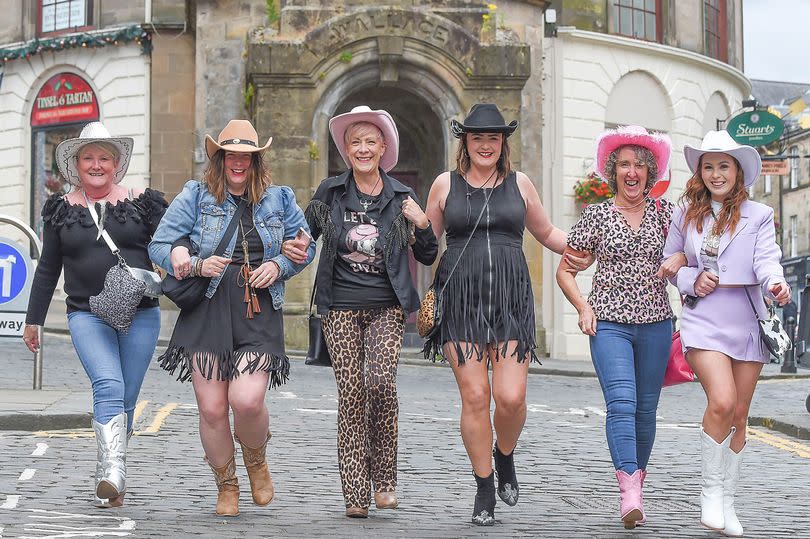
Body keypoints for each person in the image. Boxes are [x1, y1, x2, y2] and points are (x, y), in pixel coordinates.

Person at [423, 104, 587, 526]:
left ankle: (504, 454)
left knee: (510, 398)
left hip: (511, 301)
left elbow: (548, 233)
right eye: (477, 137)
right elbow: (426, 244)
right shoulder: (445, 185)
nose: (485, 144)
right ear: (466, 142)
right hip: (460, 302)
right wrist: (409, 224)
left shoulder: (521, 184)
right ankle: (483, 486)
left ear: (502, 143)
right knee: (475, 397)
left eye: (492, 138)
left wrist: (593, 243)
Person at [148, 119, 315, 517]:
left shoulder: (280, 199)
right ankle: (227, 484)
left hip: (256, 307)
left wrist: (278, 265)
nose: (238, 163)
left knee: (247, 398)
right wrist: (190, 262)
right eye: (231, 156)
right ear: (220, 159)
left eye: (246, 156)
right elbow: (158, 245)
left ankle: (256, 460)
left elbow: (304, 246)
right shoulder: (195, 195)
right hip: (207, 306)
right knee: (210, 408)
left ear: (256, 160)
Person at [283, 105, 438, 518]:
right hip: (339, 307)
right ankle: (355, 491)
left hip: (387, 307)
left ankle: (384, 480)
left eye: (371, 141)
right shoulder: (329, 193)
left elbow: (427, 254)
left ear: (384, 148)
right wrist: (293, 246)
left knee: (382, 384)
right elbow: (304, 236)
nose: (363, 149)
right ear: (346, 150)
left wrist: (423, 223)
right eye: (356, 142)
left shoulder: (401, 197)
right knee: (352, 394)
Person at [23, 122, 167, 507]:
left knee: (127, 396)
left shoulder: (141, 201)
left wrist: (172, 267)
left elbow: (171, 246)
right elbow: (49, 267)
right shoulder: (59, 210)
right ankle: (112, 474)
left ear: (116, 163)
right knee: (108, 385)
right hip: (86, 315)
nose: (97, 164)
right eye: (89, 157)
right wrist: (33, 318)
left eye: (104, 157)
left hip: (142, 313)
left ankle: (113, 469)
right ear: (76, 163)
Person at [556, 125, 687, 529]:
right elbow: (565, 271)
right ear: (613, 172)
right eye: (624, 165)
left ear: (650, 172)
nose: (632, 172)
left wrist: (679, 260)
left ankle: (638, 484)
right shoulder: (596, 215)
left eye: (639, 165)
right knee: (623, 403)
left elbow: (691, 252)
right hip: (609, 324)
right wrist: (582, 307)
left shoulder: (667, 216)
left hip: (656, 324)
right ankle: (628, 492)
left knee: (646, 411)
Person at [662, 130, 790, 537]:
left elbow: (768, 259)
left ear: (738, 171)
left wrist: (777, 283)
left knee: (739, 415)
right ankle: (709, 495)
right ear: (700, 172)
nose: (716, 174)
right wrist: (690, 279)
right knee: (722, 401)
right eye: (709, 166)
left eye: (724, 166)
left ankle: (728, 502)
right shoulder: (684, 214)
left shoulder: (760, 215)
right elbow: (668, 262)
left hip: (747, 320)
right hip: (704, 319)